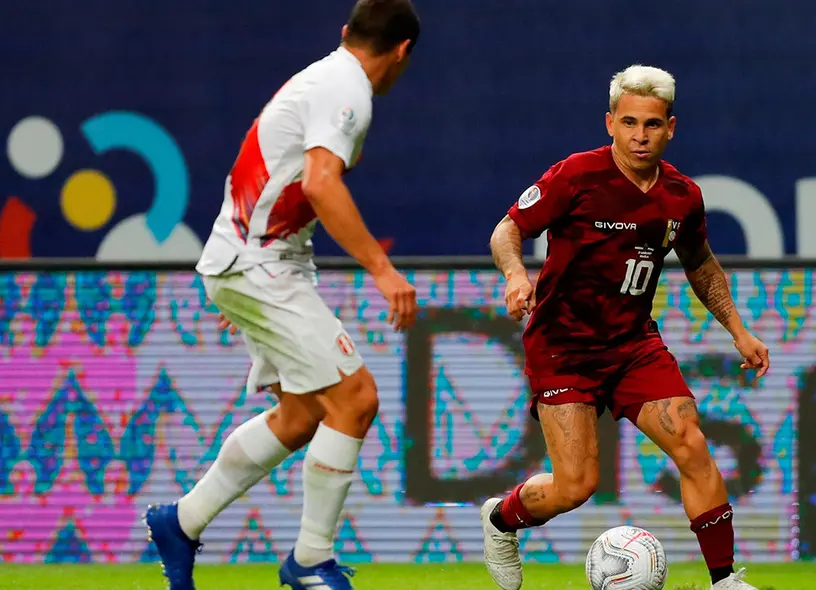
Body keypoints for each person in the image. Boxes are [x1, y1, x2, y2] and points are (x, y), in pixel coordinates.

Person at [143, 2, 420, 589]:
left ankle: (180, 521)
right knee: (356, 398)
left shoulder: (323, 76)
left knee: (301, 416)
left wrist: (237, 279)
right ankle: (310, 561)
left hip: (261, 262)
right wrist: (382, 269)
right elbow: (321, 182)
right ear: (402, 52)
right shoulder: (348, 90)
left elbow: (273, 171)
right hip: (261, 264)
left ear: (347, 33)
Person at [481, 65, 769, 590]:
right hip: (563, 347)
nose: (641, 135)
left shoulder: (683, 195)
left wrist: (738, 330)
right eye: (630, 122)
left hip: (634, 345)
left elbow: (700, 263)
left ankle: (725, 580)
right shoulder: (574, 176)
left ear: (671, 127)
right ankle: (501, 519)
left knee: (692, 443)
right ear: (609, 122)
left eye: (653, 124)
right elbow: (508, 229)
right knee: (575, 485)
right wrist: (515, 274)